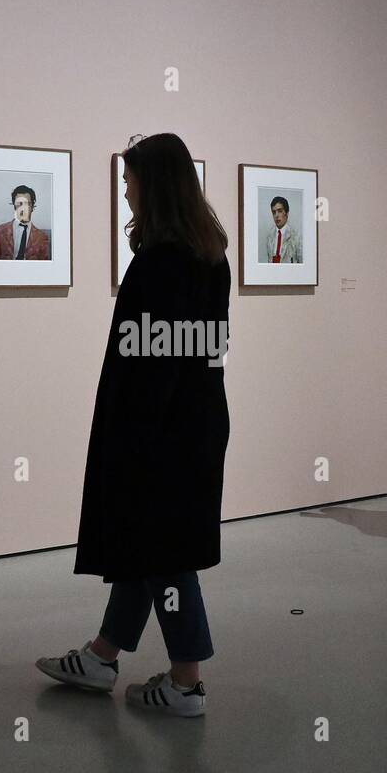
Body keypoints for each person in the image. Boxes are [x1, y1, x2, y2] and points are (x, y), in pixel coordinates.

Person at [36, 133, 230, 717]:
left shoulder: (161, 263)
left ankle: (187, 682)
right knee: (148, 543)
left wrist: (132, 440)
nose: (125, 191)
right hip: (197, 422)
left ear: (155, 184)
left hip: (159, 431)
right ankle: (103, 654)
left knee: (165, 552)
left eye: (130, 179)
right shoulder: (210, 255)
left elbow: (152, 366)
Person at [0, 185, 51, 260]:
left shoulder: (42, 237)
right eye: (19, 204)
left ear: (32, 207)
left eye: (27, 204)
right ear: (14, 206)